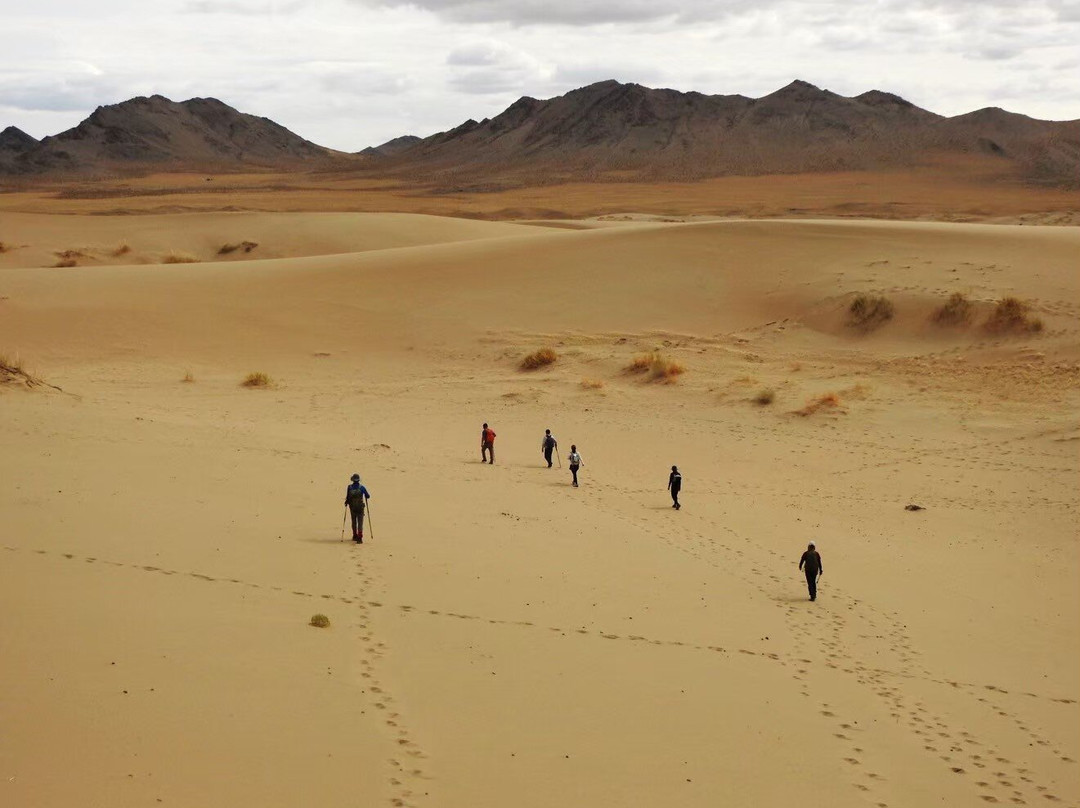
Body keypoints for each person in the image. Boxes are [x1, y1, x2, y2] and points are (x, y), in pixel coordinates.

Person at [344, 473, 370, 543]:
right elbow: (368, 496)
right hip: (360, 508)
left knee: (354, 522)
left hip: (352, 507)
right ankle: (360, 538)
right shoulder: (362, 487)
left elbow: (347, 498)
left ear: (352, 480)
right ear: (358, 480)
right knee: (360, 522)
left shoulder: (349, 487)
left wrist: (346, 503)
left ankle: (354, 535)